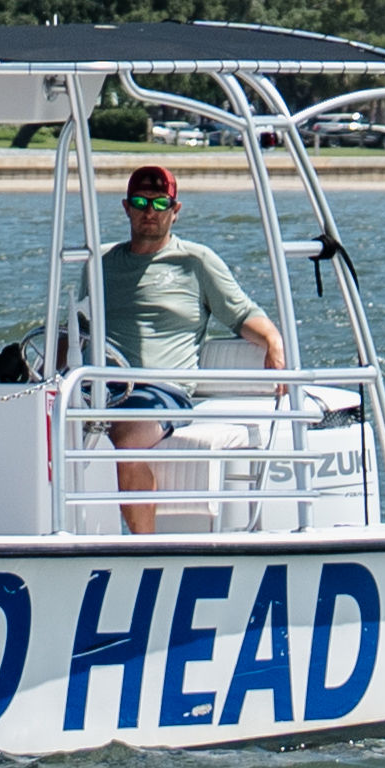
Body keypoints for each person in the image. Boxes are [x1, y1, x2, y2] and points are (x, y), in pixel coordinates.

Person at [97, 163, 286, 536]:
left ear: (175, 209)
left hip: (159, 393)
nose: (149, 211)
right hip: (99, 387)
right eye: (140, 202)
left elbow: (243, 313)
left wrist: (273, 341)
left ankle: (142, 553)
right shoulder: (99, 264)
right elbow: (78, 330)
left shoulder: (195, 261)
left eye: (159, 203)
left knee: (124, 441)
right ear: (126, 207)